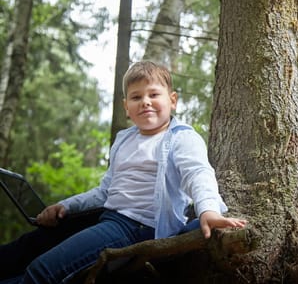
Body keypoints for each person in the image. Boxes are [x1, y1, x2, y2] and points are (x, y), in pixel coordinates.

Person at [0, 60, 247, 283]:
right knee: (32, 243)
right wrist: (66, 206)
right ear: (126, 107)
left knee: (42, 271)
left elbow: (198, 173)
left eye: (153, 94)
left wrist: (208, 209)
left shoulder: (181, 137)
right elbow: (105, 190)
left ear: (172, 100)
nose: (146, 102)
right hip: (107, 216)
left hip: (136, 227)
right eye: (136, 97)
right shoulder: (124, 139)